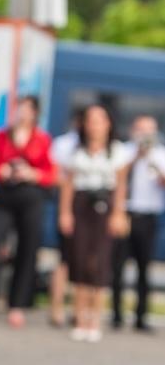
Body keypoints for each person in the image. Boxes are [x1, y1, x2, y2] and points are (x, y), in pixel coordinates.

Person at [0, 96, 56, 328]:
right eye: (20, 108)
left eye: (27, 109)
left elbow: (50, 173)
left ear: (35, 113)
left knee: (27, 250)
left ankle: (17, 305)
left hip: (31, 198)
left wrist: (31, 173)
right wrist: (3, 171)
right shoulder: (1, 136)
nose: (22, 113)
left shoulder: (42, 139)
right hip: (5, 197)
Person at [59, 103, 127, 342]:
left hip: (104, 206)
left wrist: (118, 214)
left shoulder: (117, 152)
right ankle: (79, 316)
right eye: (90, 120)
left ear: (108, 124)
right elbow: (68, 184)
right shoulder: (75, 150)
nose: (95, 125)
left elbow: (120, 186)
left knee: (99, 261)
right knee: (78, 259)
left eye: (100, 120)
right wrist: (65, 212)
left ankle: (94, 318)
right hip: (81, 204)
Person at [111, 115, 165, 332]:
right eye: (142, 130)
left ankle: (141, 316)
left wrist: (151, 159)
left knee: (144, 267)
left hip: (148, 214)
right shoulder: (123, 151)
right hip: (125, 212)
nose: (145, 135)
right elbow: (117, 176)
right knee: (118, 266)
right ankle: (117, 315)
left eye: (149, 131)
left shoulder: (160, 154)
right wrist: (136, 157)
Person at [48, 114, 82, 327]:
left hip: (91, 209)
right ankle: (57, 308)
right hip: (69, 204)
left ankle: (79, 311)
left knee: (86, 262)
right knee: (64, 260)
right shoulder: (63, 144)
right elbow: (54, 174)